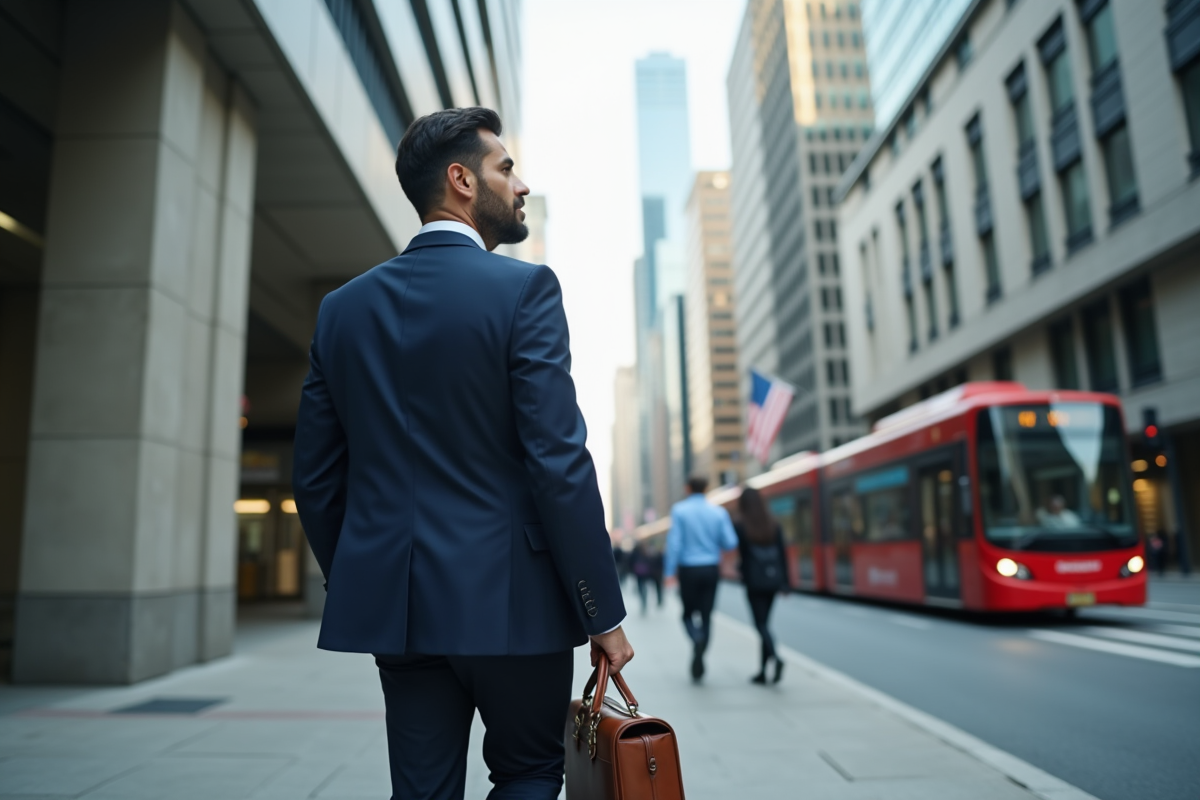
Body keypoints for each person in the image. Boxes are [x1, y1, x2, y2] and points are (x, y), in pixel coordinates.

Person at [292, 107, 633, 800]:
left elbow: (317, 479)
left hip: (404, 609)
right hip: (517, 606)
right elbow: (558, 463)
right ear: (461, 181)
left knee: (420, 792)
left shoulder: (343, 311)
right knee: (529, 774)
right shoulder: (524, 290)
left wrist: (371, 575)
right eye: (506, 168)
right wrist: (601, 612)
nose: (521, 183)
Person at [665, 475, 738, 682]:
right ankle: (701, 648)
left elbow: (675, 543)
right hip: (710, 568)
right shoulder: (718, 512)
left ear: (687, 488)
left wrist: (669, 572)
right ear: (706, 488)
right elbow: (730, 541)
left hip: (688, 569)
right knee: (706, 615)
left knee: (687, 614)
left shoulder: (679, 510)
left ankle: (696, 639)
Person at [734, 487, 790, 685]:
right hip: (773, 580)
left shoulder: (741, 525)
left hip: (754, 581)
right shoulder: (773, 524)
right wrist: (785, 582)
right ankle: (763, 671)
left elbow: (741, 554)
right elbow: (783, 555)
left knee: (761, 624)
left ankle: (775, 657)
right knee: (765, 623)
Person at [630, 540, 664, 613]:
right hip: (645, 573)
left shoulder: (636, 552)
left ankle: (644, 601)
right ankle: (646, 600)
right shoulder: (646, 552)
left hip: (639, 573)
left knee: (641, 587)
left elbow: (630, 562)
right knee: (645, 587)